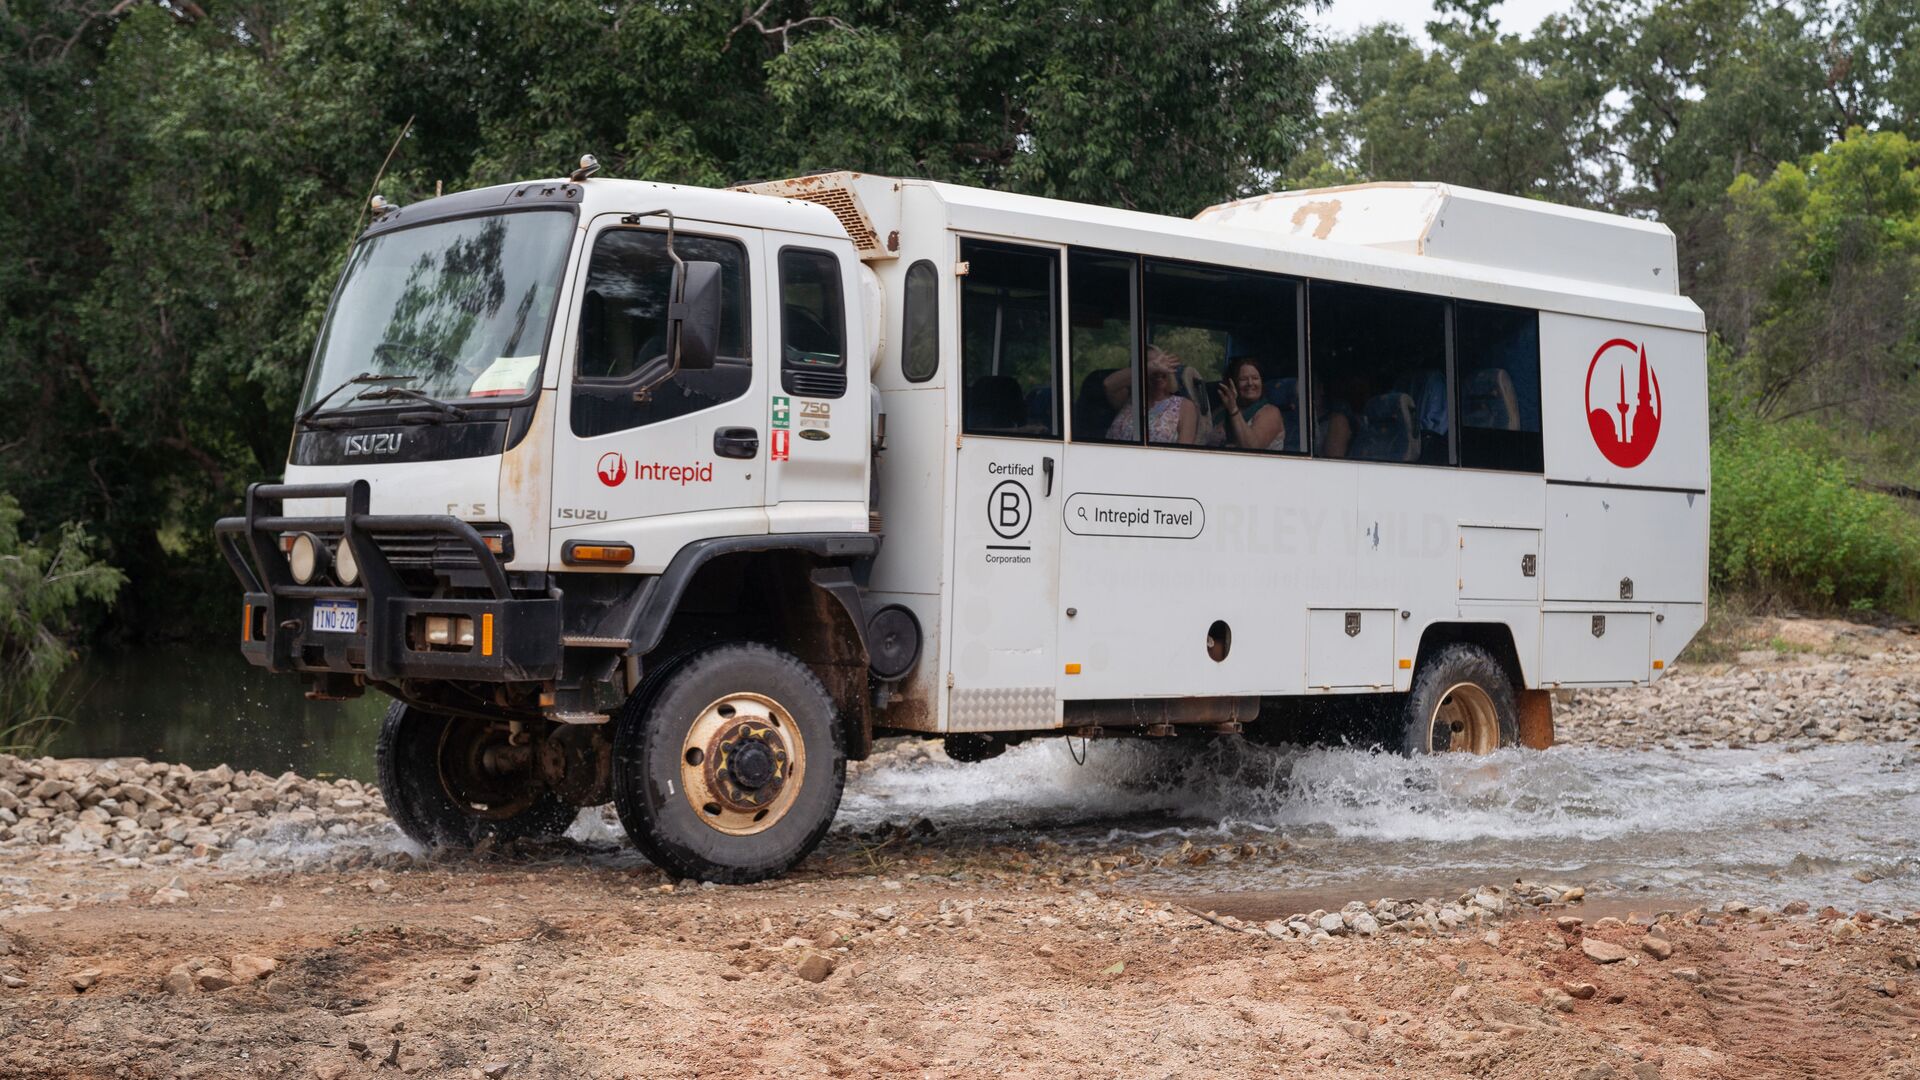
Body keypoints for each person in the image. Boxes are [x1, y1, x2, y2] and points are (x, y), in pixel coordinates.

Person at [1104, 344, 1197, 444]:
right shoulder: (1127, 399)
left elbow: (1184, 451)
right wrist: (1150, 367)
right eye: (1152, 367)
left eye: (1162, 365)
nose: (1158, 371)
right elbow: (1108, 384)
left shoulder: (1184, 406)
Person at [1211, 357, 1286, 451]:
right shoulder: (1221, 410)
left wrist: (1234, 410)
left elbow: (1252, 448)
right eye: (1243, 379)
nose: (1250, 383)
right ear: (1233, 383)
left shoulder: (1271, 412)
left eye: (1255, 378)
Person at [1312, 377, 1353, 458]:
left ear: (1321, 389)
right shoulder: (1293, 423)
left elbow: (1333, 463)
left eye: (1311, 389)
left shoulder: (1337, 421)